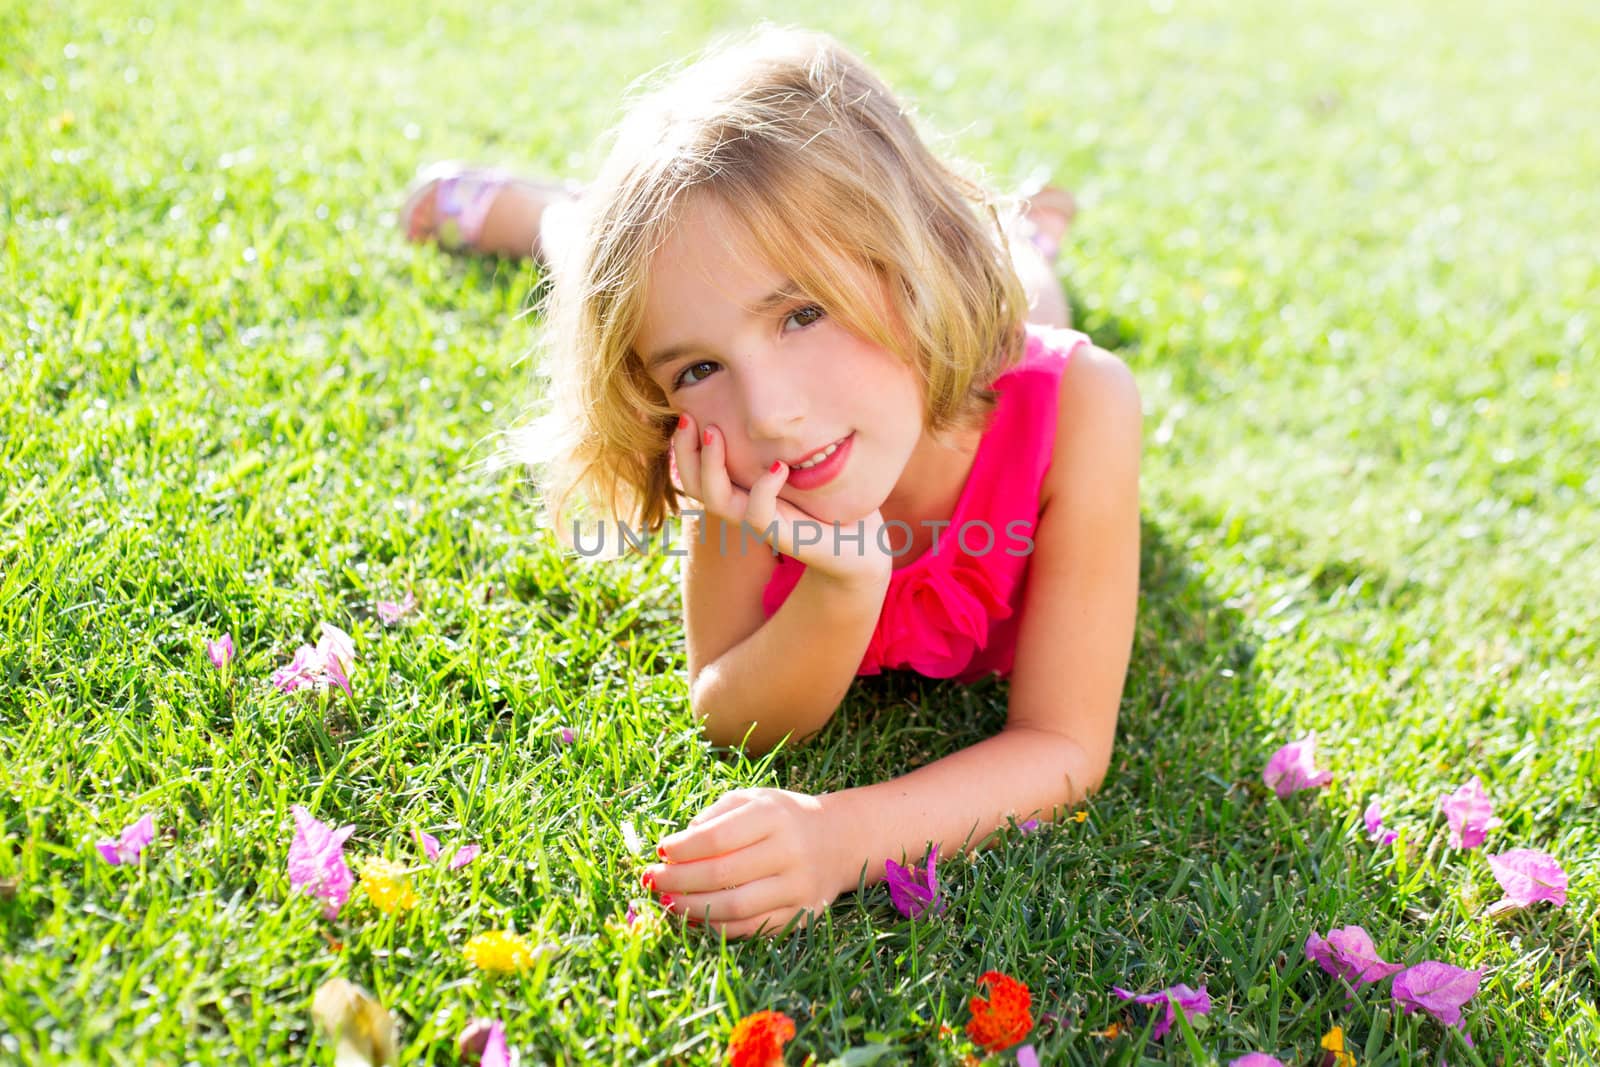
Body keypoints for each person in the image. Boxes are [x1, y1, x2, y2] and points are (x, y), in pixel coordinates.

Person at [459, 25, 1142, 940]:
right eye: (697, 367)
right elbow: (732, 714)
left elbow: (1063, 747)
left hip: (990, 321)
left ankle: (1027, 236)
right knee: (605, 255)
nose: (770, 411)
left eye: (803, 312)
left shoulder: (1083, 407)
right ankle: (543, 213)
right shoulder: (734, 453)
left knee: (1025, 285)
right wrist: (843, 583)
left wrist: (840, 837)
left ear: (908, 254)